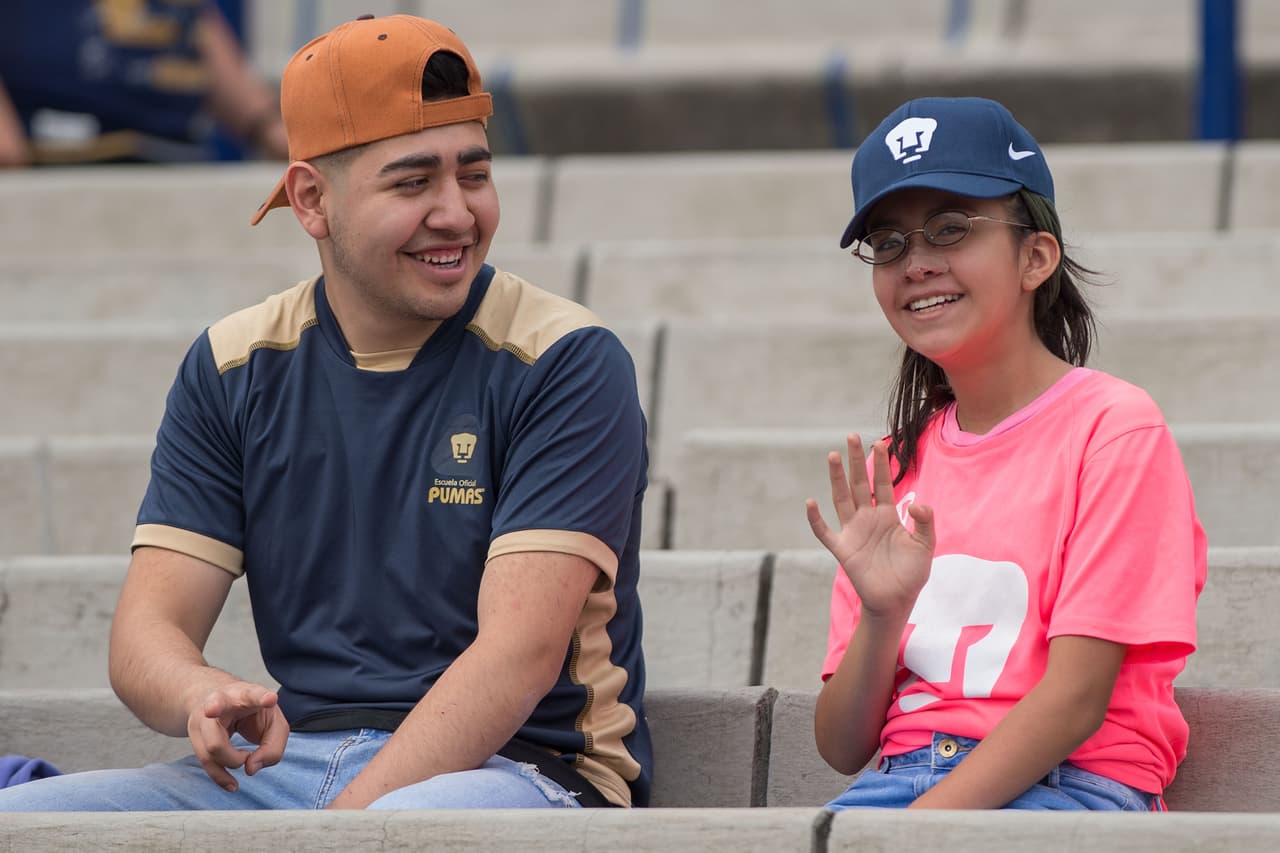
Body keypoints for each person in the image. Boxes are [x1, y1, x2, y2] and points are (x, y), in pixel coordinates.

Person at [0, 13, 650, 811]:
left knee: (411, 822)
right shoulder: (232, 362)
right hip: (291, 767)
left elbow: (515, 660)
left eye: (473, 174)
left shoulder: (565, 356)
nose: (456, 212)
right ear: (312, 199)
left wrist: (335, 832)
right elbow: (146, 635)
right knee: (22, 818)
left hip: (515, 769)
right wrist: (198, 691)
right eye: (413, 182)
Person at [806, 96, 1206, 811]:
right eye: (890, 243)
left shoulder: (1113, 428)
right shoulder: (895, 466)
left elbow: (1078, 697)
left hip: (1070, 785)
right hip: (894, 784)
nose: (917, 262)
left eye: (951, 228)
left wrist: (918, 831)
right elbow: (841, 746)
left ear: (1035, 257)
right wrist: (882, 612)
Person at [0, 0, 287, 166]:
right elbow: (7, 150)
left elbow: (226, 74)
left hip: (179, 164)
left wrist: (282, 134)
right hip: (62, 170)